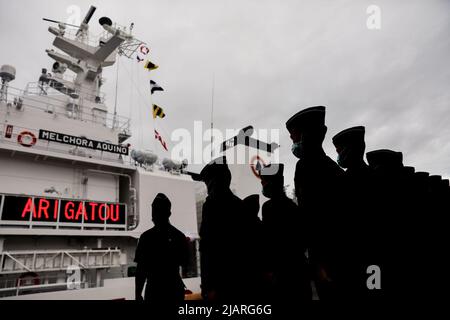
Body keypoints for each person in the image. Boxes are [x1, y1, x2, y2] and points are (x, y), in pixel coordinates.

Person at [286, 106, 344, 300]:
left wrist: (323, 264)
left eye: (295, 138)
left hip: (330, 260)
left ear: (308, 135)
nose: (293, 144)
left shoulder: (318, 169)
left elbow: (322, 220)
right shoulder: (313, 166)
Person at [332, 126, 378, 298]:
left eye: (340, 150)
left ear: (352, 149)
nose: (338, 155)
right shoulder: (374, 177)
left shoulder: (345, 182)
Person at [197, 156, 249, 301]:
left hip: (220, 285)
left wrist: (208, 287)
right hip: (242, 281)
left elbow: (208, 247)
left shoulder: (211, 205)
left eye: (208, 182)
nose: (207, 187)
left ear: (214, 182)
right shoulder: (240, 205)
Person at [259, 163, 311, 302]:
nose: (262, 184)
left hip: (281, 273)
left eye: (263, 181)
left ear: (271, 182)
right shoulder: (293, 206)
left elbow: (269, 242)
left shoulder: (269, 207)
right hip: (299, 271)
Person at [134, 193, 188, 308]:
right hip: (175, 290)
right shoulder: (179, 236)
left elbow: (141, 271)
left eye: (155, 211)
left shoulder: (146, 237)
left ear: (153, 214)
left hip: (154, 291)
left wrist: (138, 294)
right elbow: (185, 263)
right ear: (169, 213)